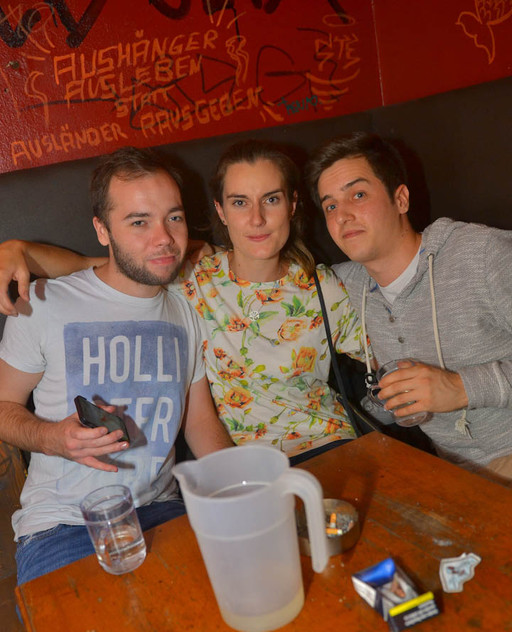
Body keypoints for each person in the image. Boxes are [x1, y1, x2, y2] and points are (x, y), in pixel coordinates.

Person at [0, 140, 366, 461]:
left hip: (330, 443)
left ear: (292, 205)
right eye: (240, 202)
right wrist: (19, 249)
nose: (257, 219)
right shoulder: (191, 277)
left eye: (271, 199)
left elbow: (380, 358)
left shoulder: (324, 287)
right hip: (243, 460)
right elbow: (96, 265)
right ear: (221, 211)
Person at [0, 147, 232, 585]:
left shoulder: (186, 309)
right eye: (139, 222)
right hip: (64, 525)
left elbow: (200, 422)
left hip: (162, 510)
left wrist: (244, 485)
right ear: (102, 230)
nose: (163, 238)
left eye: (174, 217)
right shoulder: (45, 301)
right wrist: (51, 438)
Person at [306, 131, 512, 481]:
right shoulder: (343, 285)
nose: (343, 216)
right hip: (452, 469)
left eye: (358, 195)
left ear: (400, 199)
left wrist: (461, 387)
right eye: (331, 206)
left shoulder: (483, 254)